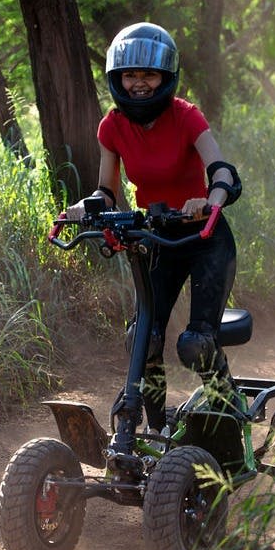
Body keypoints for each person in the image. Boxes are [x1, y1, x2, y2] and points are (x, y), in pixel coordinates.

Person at [65, 22, 243, 439]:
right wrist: (83, 208)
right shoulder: (112, 127)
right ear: (117, 78)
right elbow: (106, 191)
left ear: (166, 77)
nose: (139, 83)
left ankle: (226, 405)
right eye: (130, 74)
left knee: (196, 344)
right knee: (142, 340)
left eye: (149, 74)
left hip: (204, 237)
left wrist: (211, 198)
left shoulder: (186, 116)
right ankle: (158, 427)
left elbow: (221, 170)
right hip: (157, 238)